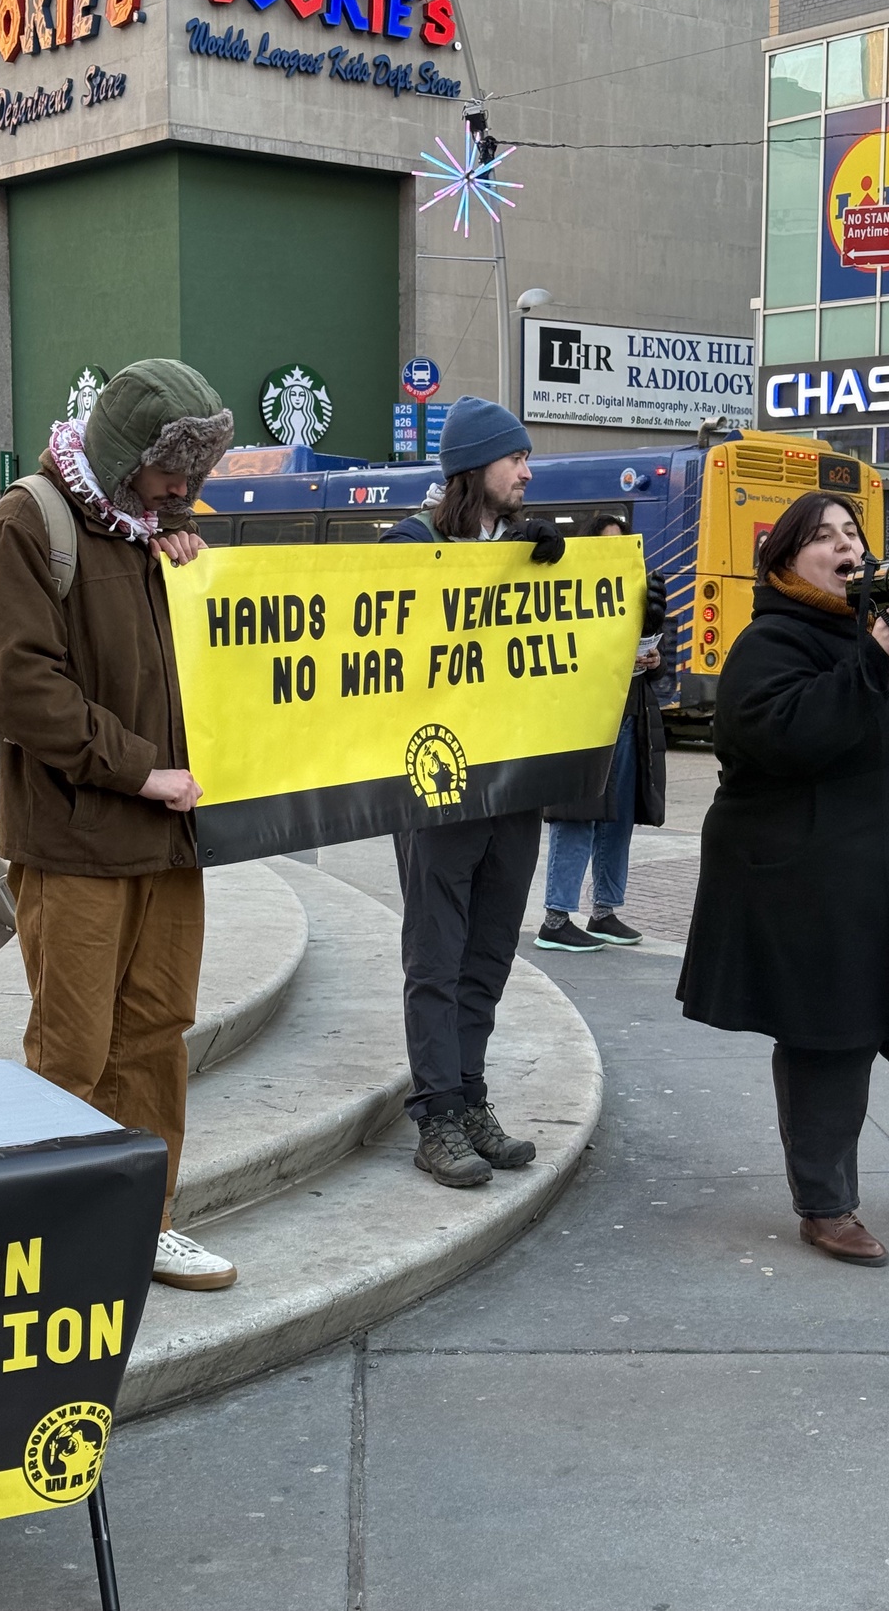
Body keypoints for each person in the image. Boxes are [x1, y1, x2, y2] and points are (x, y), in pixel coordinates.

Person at [678, 489, 889, 1268]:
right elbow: (797, 736)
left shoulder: (887, 636)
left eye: (852, 532)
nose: (848, 545)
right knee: (829, 1048)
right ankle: (826, 1205)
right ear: (785, 561)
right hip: (828, 896)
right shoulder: (771, 643)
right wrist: (873, 653)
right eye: (824, 536)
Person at [0, 359, 238, 1291]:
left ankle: (144, 1223)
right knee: (72, 1049)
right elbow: (18, 689)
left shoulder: (158, 532)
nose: (185, 490)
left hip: (167, 842)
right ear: (127, 454)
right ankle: (54, 1237)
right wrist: (139, 770)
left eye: (197, 475)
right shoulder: (26, 523)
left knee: (157, 1034)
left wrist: (193, 583)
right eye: (173, 472)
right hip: (76, 840)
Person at [381, 396, 567, 1188]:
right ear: (472, 468)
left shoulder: (528, 548)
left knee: (489, 950)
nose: (528, 471)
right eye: (514, 457)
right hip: (437, 784)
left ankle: (472, 1095)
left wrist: (622, 613)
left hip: (513, 788)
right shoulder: (408, 547)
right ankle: (438, 1114)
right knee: (437, 954)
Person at [536, 514, 668, 951]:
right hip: (586, 720)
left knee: (619, 817)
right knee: (578, 815)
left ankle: (605, 912)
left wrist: (652, 657)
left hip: (630, 715)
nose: (617, 550)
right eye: (607, 543)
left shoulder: (635, 587)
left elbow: (651, 657)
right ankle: (556, 916)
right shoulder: (571, 587)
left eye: (623, 542)